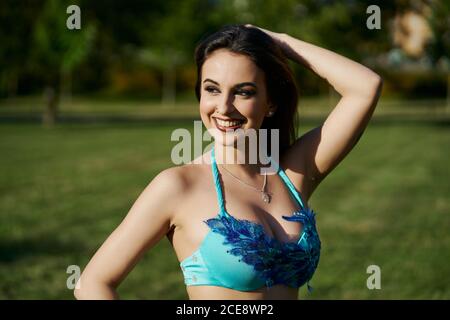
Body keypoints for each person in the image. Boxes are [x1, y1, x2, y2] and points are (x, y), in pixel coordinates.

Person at [74, 24, 382, 300]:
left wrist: (278, 41)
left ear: (271, 102)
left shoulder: (293, 174)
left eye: (243, 92)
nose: (223, 107)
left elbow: (365, 87)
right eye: (212, 89)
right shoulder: (178, 186)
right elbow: (92, 284)